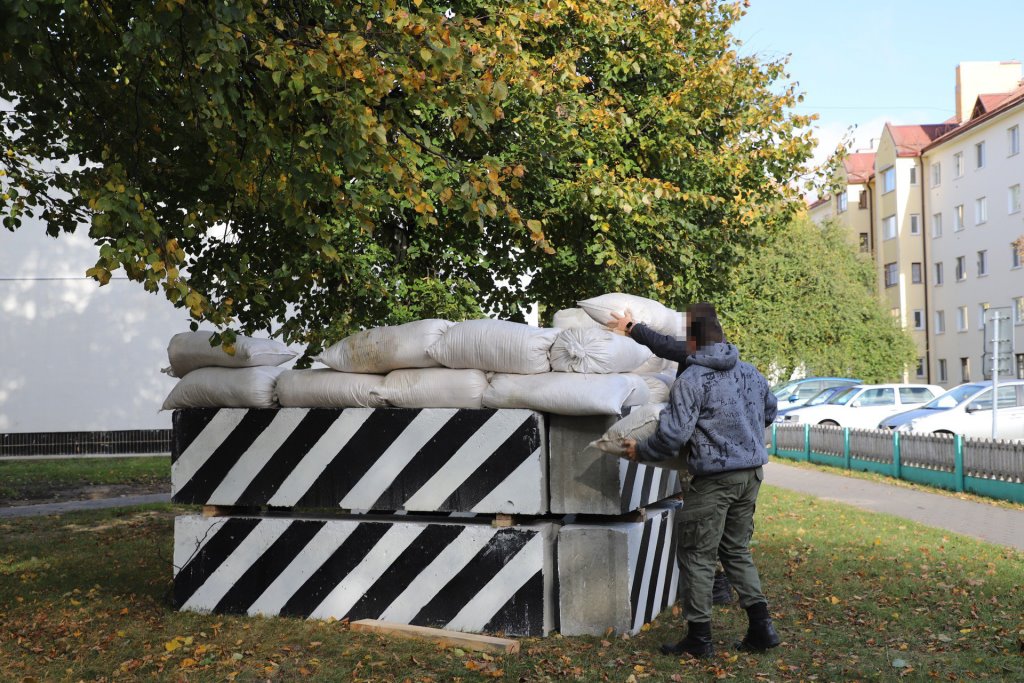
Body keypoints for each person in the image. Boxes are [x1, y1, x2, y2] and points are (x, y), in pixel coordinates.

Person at [621, 303, 780, 659]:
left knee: (697, 556)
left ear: (691, 342)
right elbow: (770, 411)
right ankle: (762, 627)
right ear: (721, 335)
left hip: (713, 482)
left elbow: (673, 437)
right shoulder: (752, 373)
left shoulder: (691, 380)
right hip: (751, 476)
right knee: (736, 550)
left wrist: (641, 451)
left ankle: (699, 639)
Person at [606, 308, 735, 607]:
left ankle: (714, 586)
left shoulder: (700, 357)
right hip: (733, 457)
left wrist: (634, 327)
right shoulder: (732, 361)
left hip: (704, 453)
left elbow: (666, 346)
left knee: (703, 522)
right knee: (726, 522)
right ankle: (726, 583)